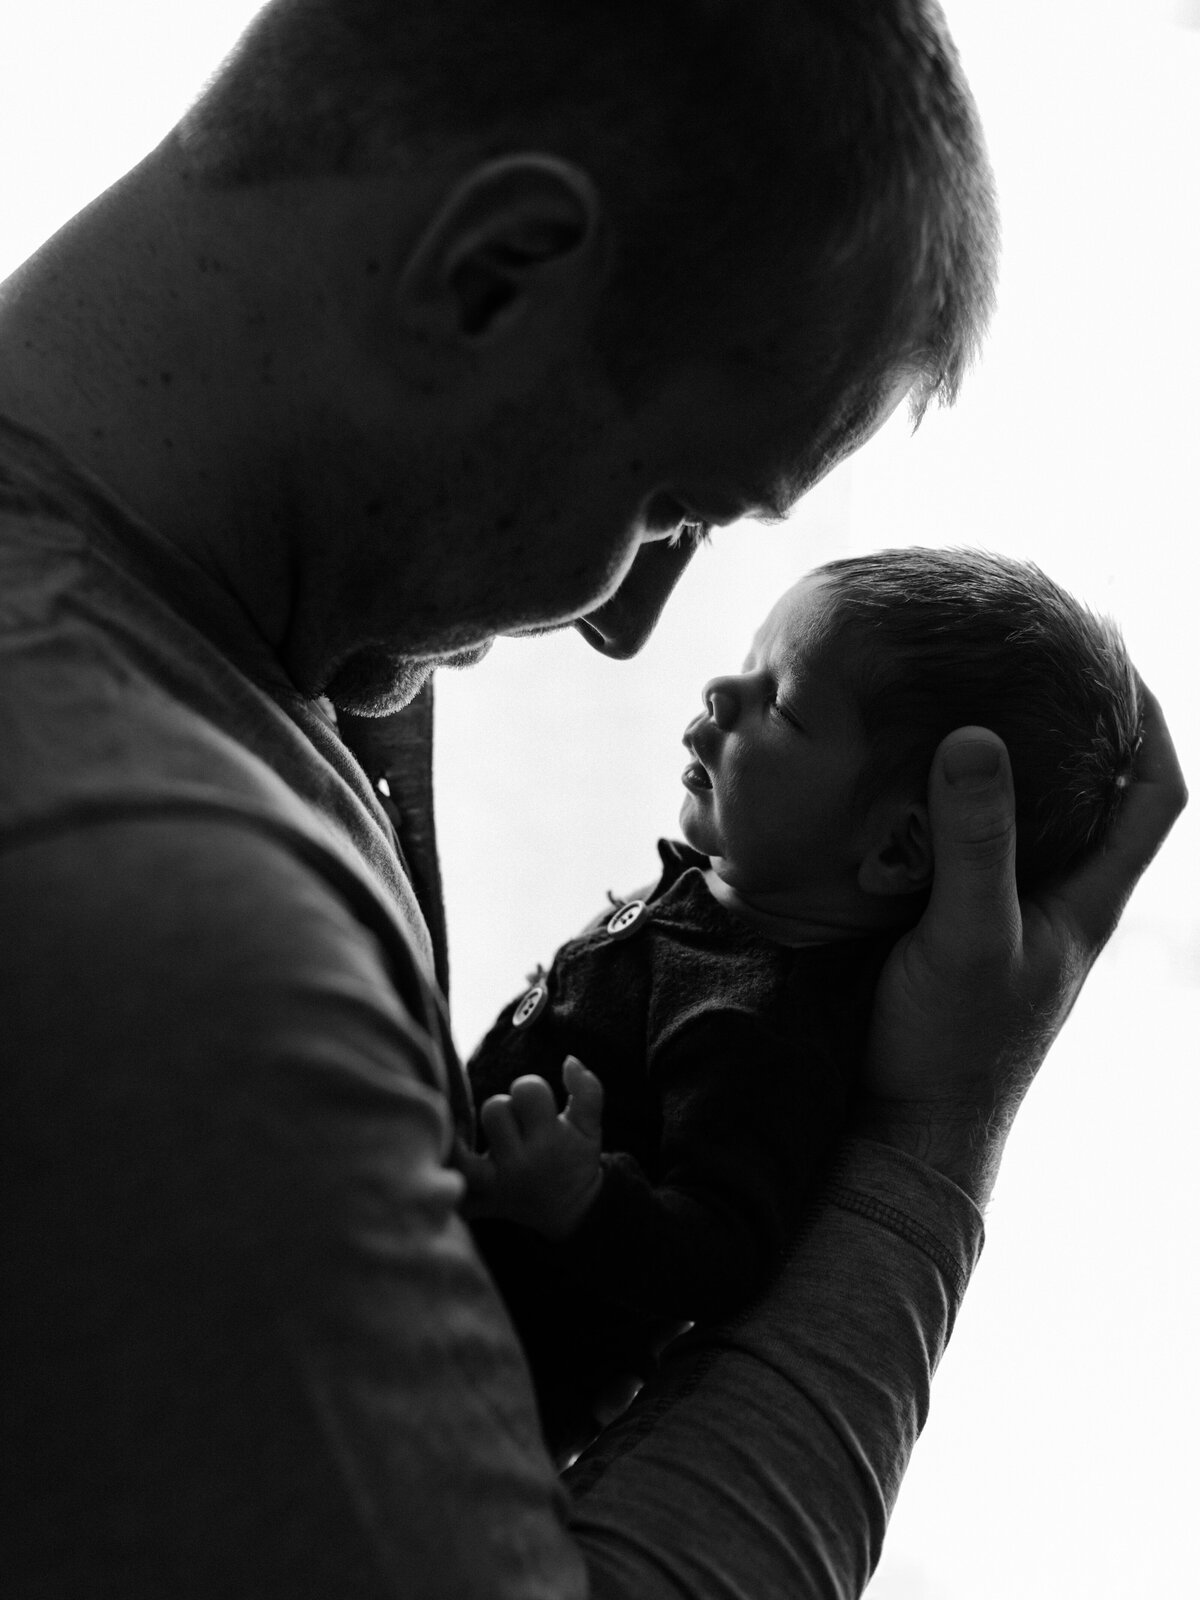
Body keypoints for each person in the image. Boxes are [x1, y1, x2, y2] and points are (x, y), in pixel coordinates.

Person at [0, 2, 1184, 1596]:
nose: (623, 624)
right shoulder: (168, 917)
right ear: (495, 272)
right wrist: (934, 1139)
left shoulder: (228, 664)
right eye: (667, 504)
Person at [462, 548, 1143, 1462]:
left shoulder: (761, 1027)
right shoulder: (718, 906)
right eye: (749, 660)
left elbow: (720, 1249)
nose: (720, 692)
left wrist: (582, 1198)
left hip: (477, 1391)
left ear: (899, 853)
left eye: (778, 701)